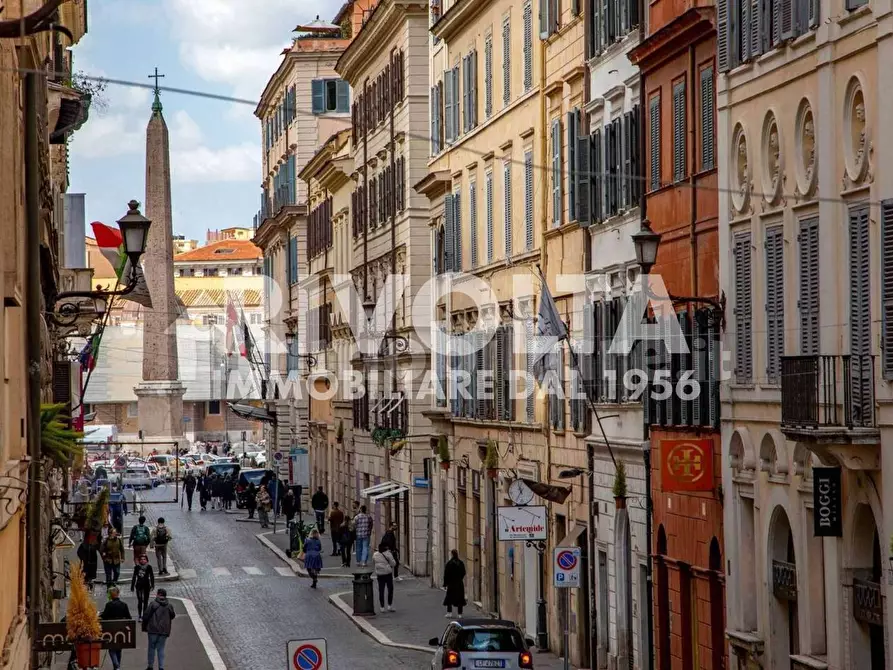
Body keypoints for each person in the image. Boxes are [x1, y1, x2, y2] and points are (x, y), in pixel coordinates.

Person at [143, 587, 176, 670]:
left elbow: (146, 615)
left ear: (158, 595)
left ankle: (150, 666)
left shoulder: (153, 604)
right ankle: (161, 667)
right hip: (164, 631)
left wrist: (145, 626)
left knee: (151, 648)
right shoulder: (169, 606)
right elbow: (172, 616)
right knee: (161, 649)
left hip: (153, 629)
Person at [100, 586, 131, 670]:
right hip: (121, 630)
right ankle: (118, 667)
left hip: (111, 629)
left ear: (111, 595)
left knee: (111, 649)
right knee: (119, 649)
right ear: (118, 594)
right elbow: (129, 618)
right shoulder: (124, 605)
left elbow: (104, 616)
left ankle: (116, 666)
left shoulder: (109, 605)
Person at [372, 542, 397, 612]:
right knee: (390, 589)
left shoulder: (375, 554)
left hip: (379, 574)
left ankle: (382, 607)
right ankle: (389, 605)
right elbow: (393, 564)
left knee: (381, 590)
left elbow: (373, 562)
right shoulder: (388, 554)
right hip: (387, 573)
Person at [442, 549, 467, 618]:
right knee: (460, 598)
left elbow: (446, 574)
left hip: (451, 583)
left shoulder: (449, 563)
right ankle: (460, 614)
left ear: (452, 554)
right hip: (459, 583)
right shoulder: (461, 563)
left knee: (449, 598)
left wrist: (445, 584)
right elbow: (463, 572)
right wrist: (460, 578)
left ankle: (449, 613)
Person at [131, 554, 155, 619]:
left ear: (147, 560)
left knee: (146, 601)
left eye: (144, 559)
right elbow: (134, 576)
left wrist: (152, 585)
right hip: (139, 585)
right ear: (139, 561)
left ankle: (145, 614)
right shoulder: (137, 567)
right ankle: (139, 615)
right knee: (140, 600)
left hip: (146, 585)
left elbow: (151, 576)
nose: (143, 560)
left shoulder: (149, 567)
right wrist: (132, 586)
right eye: (141, 559)